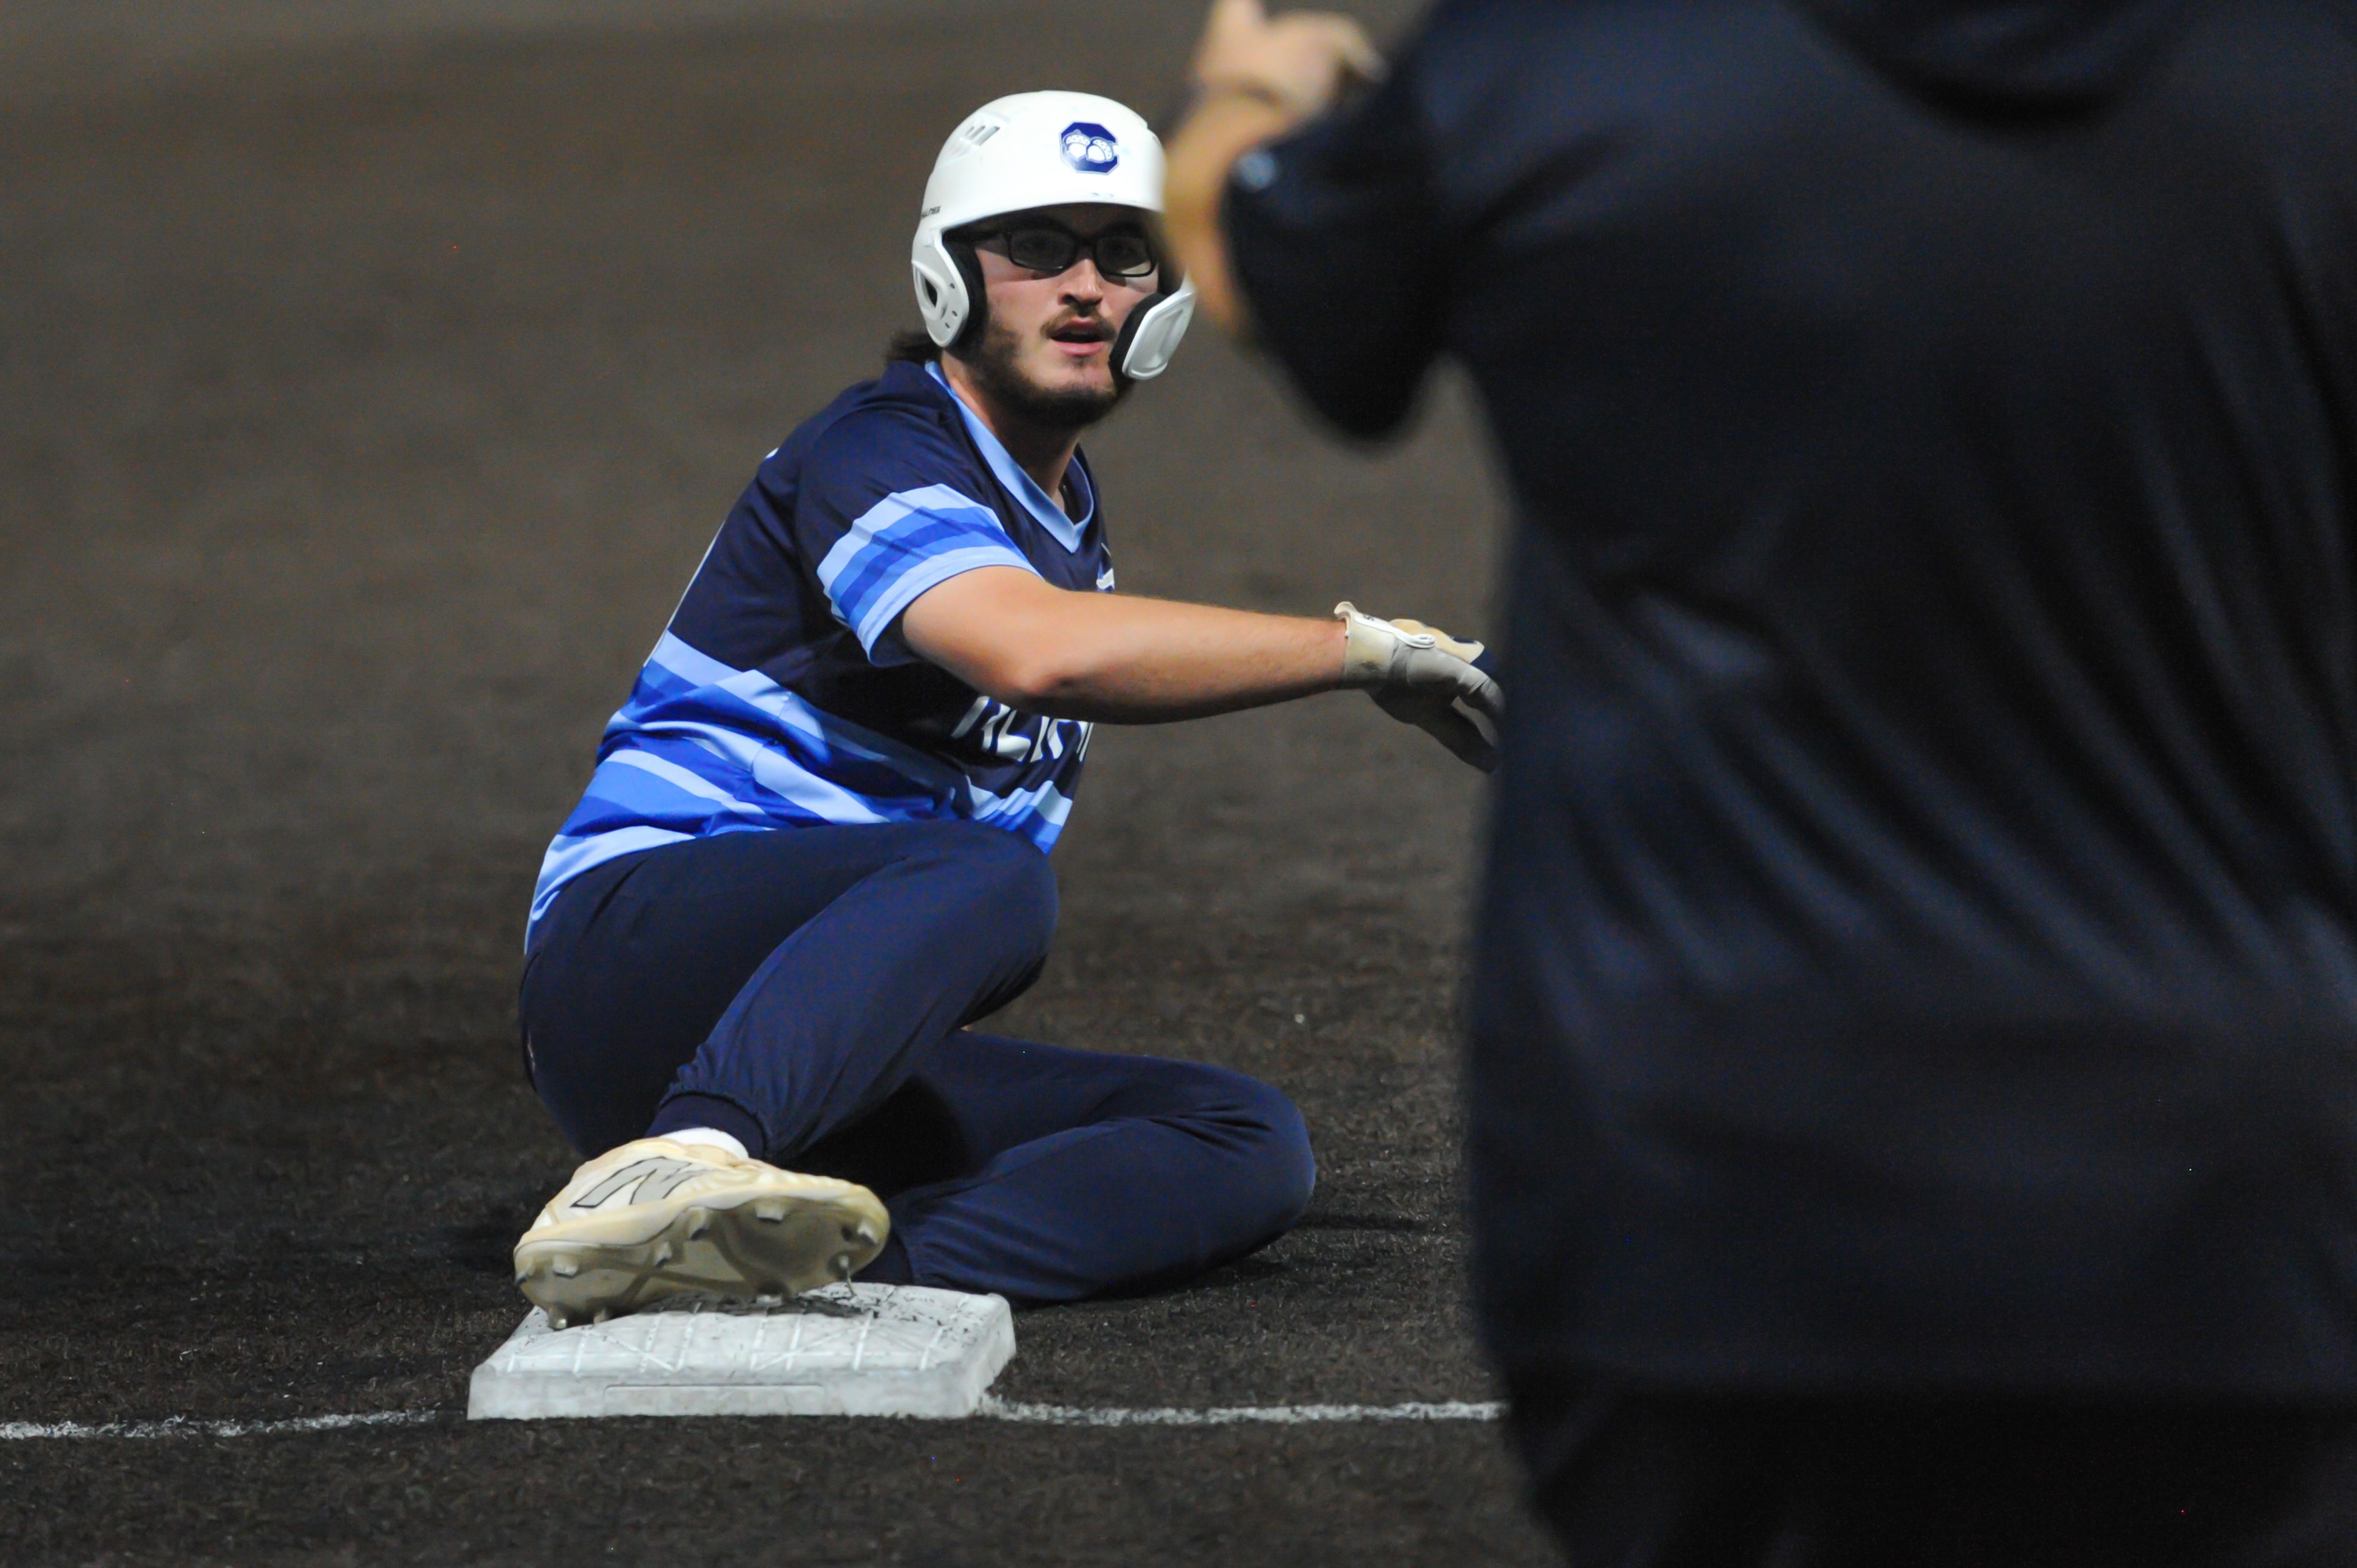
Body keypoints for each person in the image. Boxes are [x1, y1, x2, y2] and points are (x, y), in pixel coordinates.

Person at [1164, 0, 2357, 1560]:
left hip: (1708, 1200)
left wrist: (1251, 90)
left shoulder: (1554, 60)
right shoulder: (2311, 69)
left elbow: (1264, 267)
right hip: (2228, 1208)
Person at [509, 90, 1502, 1330]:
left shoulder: (1067, 528)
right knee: (986, 875)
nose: (1085, 287)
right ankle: (680, 1161)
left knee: (1240, 1136)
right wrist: (1362, 653)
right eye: (1036, 248)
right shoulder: (878, 450)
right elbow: (1033, 656)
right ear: (950, 279)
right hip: (630, 972)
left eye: (1121, 254)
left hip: (813, 1044)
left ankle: (816, 1268)